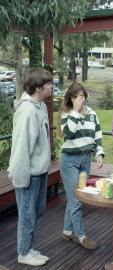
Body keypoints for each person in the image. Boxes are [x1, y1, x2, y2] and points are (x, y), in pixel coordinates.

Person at [8, 68, 53, 266]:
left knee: (37, 212)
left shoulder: (40, 105)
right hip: (29, 174)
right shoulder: (27, 111)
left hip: (41, 170)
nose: (52, 86)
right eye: (49, 84)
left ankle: (28, 247)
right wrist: (21, 178)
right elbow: (20, 147)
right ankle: (23, 253)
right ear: (38, 88)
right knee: (27, 215)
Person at [58, 82, 104, 250]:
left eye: (83, 96)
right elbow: (69, 134)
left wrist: (99, 152)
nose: (81, 100)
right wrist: (76, 113)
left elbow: (97, 134)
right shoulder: (66, 114)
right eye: (77, 97)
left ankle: (67, 230)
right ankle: (81, 236)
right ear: (71, 98)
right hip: (69, 160)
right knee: (76, 199)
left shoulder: (92, 113)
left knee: (75, 196)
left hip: (86, 159)